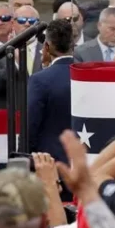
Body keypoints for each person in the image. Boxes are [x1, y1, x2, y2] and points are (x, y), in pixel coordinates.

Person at [26, 19, 75, 163]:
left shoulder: (40, 80)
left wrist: (25, 156)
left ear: (46, 46)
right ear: (72, 45)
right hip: (83, 158)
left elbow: (31, 125)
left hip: (49, 161)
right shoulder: (88, 76)